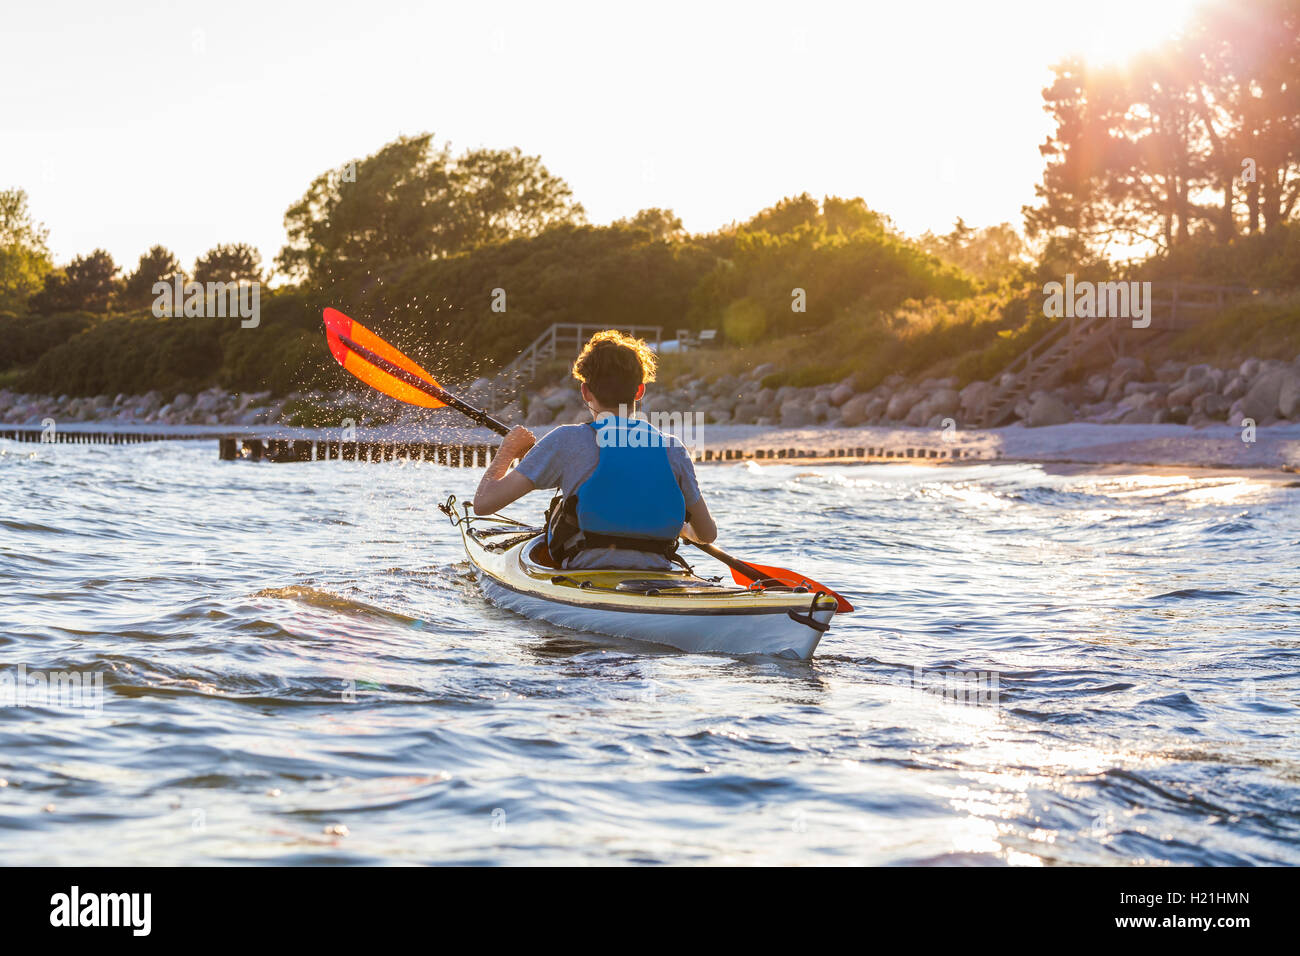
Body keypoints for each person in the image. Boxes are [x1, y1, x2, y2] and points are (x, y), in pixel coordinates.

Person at [473, 329, 717, 570]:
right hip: (657, 572)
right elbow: (707, 534)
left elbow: (484, 504)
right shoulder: (673, 448)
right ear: (639, 391)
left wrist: (508, 449)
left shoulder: (565, 440)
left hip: (584, 571)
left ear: (585, 392)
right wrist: (683, 529)